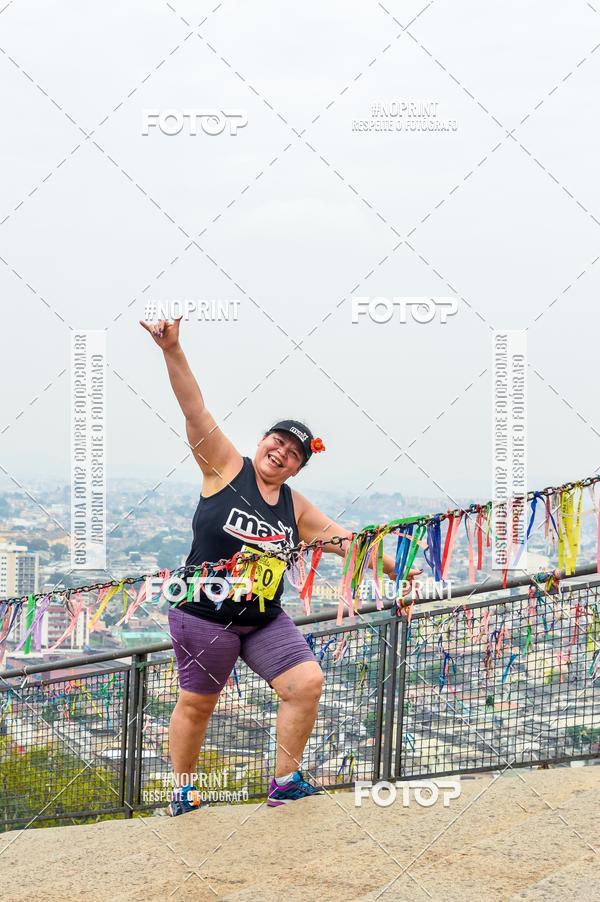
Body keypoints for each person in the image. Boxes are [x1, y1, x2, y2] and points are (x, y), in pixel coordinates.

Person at [140, 316, 416, 813]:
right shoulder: (225, 466)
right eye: (277, 443)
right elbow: (193, 408)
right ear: (262, 441)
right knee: (199, 703)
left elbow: (349, 544)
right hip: (203, 614)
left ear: (296, 467)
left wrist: (400, 570)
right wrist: (173, 350)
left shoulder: (296, 507)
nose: (281, 454)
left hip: (264, 616)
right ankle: (182, 792)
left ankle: (285, 780)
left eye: (292, 454)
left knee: (305, 682)